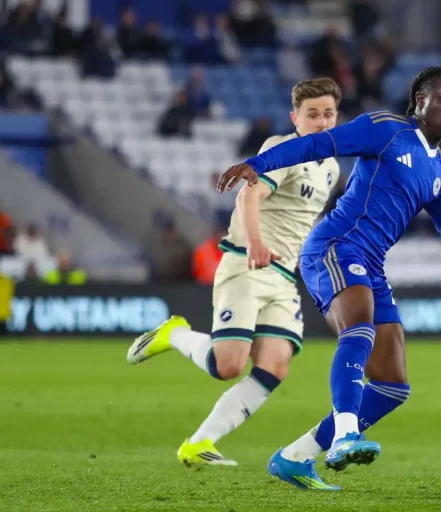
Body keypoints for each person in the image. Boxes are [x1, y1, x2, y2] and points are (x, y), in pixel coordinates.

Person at [216, 66, 441, 490]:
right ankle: (345, 435)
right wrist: (257, 163)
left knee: (393, 386)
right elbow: (321, 143)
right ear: (419, 102)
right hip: (335, 246)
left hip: (370, 263)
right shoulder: (385, 129)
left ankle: (295, 456)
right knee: (358, 329)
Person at [126, 78, 343, 470]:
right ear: (295, 118)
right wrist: (257, 243)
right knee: (227, 366)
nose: (323, 122)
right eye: (313, 115)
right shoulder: (284, 150)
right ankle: (173, 333)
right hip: (248, 262)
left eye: (328, 113)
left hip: (283, 276)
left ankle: (199, 442)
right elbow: (249, 194)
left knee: (275, 364)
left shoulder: (331, 165)